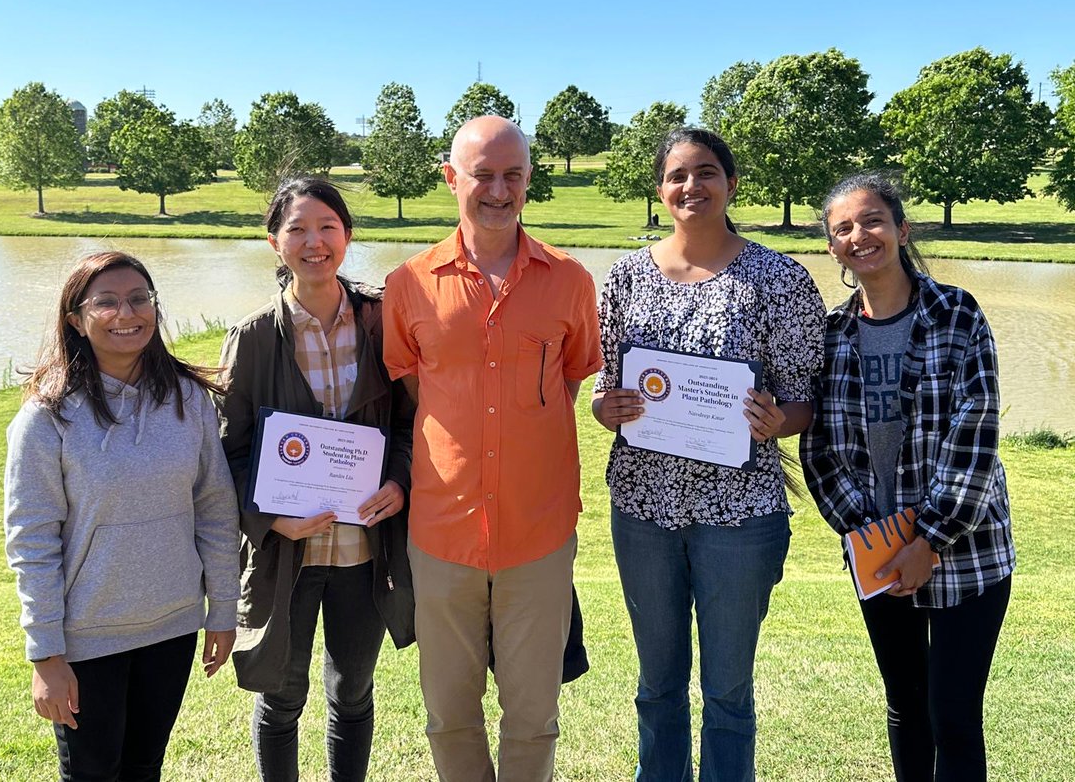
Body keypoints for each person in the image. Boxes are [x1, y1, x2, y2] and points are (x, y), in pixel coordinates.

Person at [591, 127, 825, 781]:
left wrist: (778, 421)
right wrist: (604, 408)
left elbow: (806, 401)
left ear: (731, 183)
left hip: (740, 516)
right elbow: (604, 385)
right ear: (660, 189)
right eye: (677, 175)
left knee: (727, 692)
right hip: (643, 509)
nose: (691, 186)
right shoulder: (625, 277)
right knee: (657, 686)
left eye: (706, 172)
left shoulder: (778, 279)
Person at [382, 115, 602, 782]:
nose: (499, 191)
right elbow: (418, 388)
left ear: (529, 180)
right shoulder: (408, 284)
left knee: (533, 717)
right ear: (451, 178)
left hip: (538, 533)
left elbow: (568, 379)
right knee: (449, 714)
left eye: (513, 175)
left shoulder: (570, 280)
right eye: (483, 175)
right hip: (442, 533)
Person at [800, 173, 1014, 782]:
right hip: (879, 556)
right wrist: (873, 537)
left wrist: (929, 540)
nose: (859, 235)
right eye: (843, 228)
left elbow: (975, 433)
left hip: (967, 551)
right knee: (905, 706)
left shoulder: (956, 314)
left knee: (953, 715)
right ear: (832, 247)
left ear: (901, 228)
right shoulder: (831, 336)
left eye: (872, 220)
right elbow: (819, 449)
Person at [4, 251, 239, 782]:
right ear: (75, 320)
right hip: (87, 637)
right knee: (92, 773)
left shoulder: (188, 399)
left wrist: (223, 610)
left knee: (143, 768)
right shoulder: (47, 416)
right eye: (105, 302)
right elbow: (31, 540)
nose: (126, 313)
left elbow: (215, 510)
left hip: (173, 626)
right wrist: (46, 654)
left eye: (139, 299)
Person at [217, 177, 415, 782]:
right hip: (288, 555)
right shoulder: (252, 338)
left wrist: (400, 482)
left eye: (327, 227)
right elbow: (227, 453)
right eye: (297, 229)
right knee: (280, 697)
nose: (314, 242)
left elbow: (411, 423)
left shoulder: (383, 322)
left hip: (363, 551)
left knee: (352, 692)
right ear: (274, 241)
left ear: (347, 236)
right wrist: (272, 519)